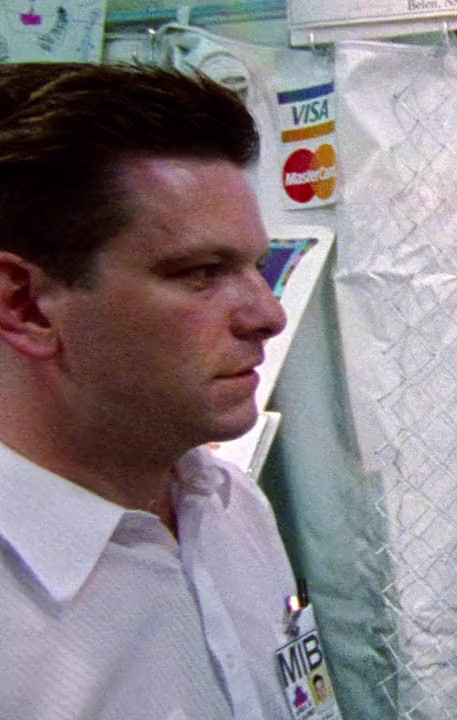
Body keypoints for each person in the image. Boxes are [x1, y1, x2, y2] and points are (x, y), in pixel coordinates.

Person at [0, 63, 299, 718]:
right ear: (26, 305)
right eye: (201, 272)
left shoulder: (230, 508)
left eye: (257, 266)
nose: (268, 314)